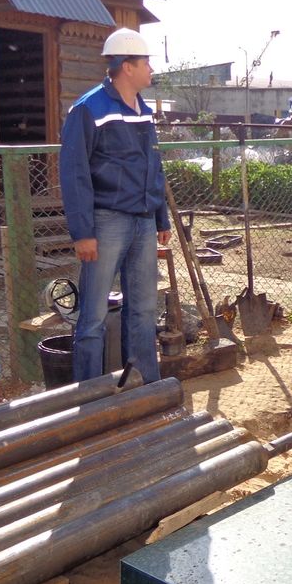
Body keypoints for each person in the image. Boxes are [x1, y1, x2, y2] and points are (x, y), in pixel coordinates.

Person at [60, 28, 169, 383]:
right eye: (146, 62)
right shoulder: (89, 109)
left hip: (143, 222)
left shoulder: (145, 111)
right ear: (127, 67)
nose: (151, 69)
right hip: (106, 222)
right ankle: (87, 393)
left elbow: (154, 165)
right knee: (92, 314)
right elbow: (74, 173)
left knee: (144, 309)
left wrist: (160, 216)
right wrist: (83, 232)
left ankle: (144, 386)